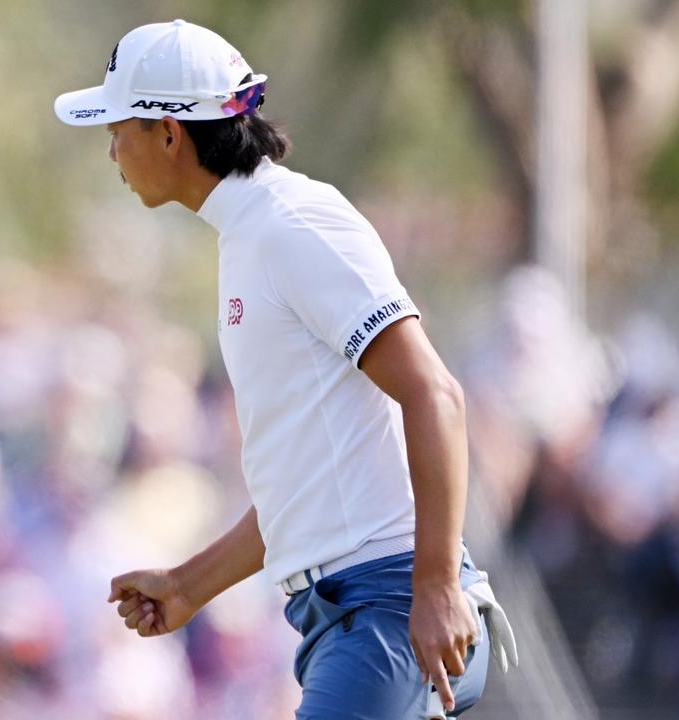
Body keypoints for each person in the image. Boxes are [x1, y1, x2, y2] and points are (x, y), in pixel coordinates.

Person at [54, 19, 517, 719]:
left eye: (118, 128)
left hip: (390, 608)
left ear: (170, 134)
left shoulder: (292, 225)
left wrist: (436, 587)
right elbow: (307, 482)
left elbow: (436, 394)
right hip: (356, 614)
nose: (112, 150)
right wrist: (188, 585)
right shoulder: (252, 234)